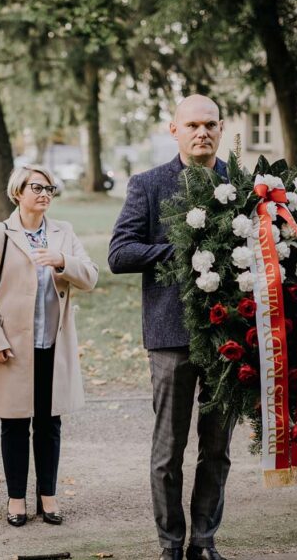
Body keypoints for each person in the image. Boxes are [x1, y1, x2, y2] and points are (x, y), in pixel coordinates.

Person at [108, 95, 233, 560]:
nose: (202, 132)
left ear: (221, 129)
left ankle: (204, 540)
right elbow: (119, 254)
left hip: (231, 339)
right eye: (193, 125)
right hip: (170, 336)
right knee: (168, 451)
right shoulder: (148, 185)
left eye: (210, 124)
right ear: (174, 130)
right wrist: (182, 250)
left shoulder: (242, 185)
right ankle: (171, 545)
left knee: (217, 449)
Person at [0, 165, 98, 528]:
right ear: (18, 193)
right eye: (37, 187)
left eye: (50, 188)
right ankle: (16, 498)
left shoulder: (64, 232)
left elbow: (90, 276)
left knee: (49, 423)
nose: (45, 194)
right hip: (11, 347)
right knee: (14, 423)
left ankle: (48, 496)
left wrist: (63, 261)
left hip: (52, 344)